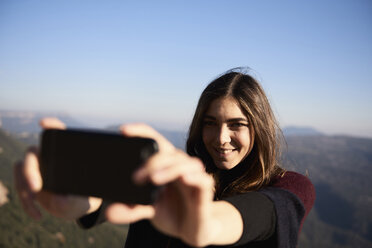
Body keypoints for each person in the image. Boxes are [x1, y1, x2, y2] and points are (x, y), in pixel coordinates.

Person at [14, 68, 315, 248]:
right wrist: (71, 193)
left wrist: (203, 223)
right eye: (210, 123)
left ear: (259, 128)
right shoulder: (168, 178)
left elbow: (251, 216)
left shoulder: (291, 188)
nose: (221, 138)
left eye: (237, 124)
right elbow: (102, 198)